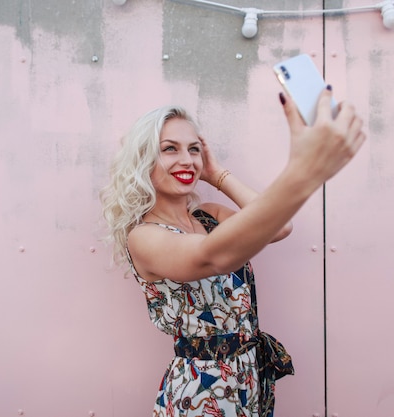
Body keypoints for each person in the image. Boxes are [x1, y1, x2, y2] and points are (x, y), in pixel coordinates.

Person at [100, 87, 365, 417]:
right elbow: (213, 256)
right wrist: (302, 174)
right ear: (143, 159)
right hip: (200, 393)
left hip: (250, 382)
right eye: (170, 149)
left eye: (194, 150)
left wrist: (217, 174)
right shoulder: (144, 237)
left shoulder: (209, 215)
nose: (187, 160)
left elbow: (280, 228)